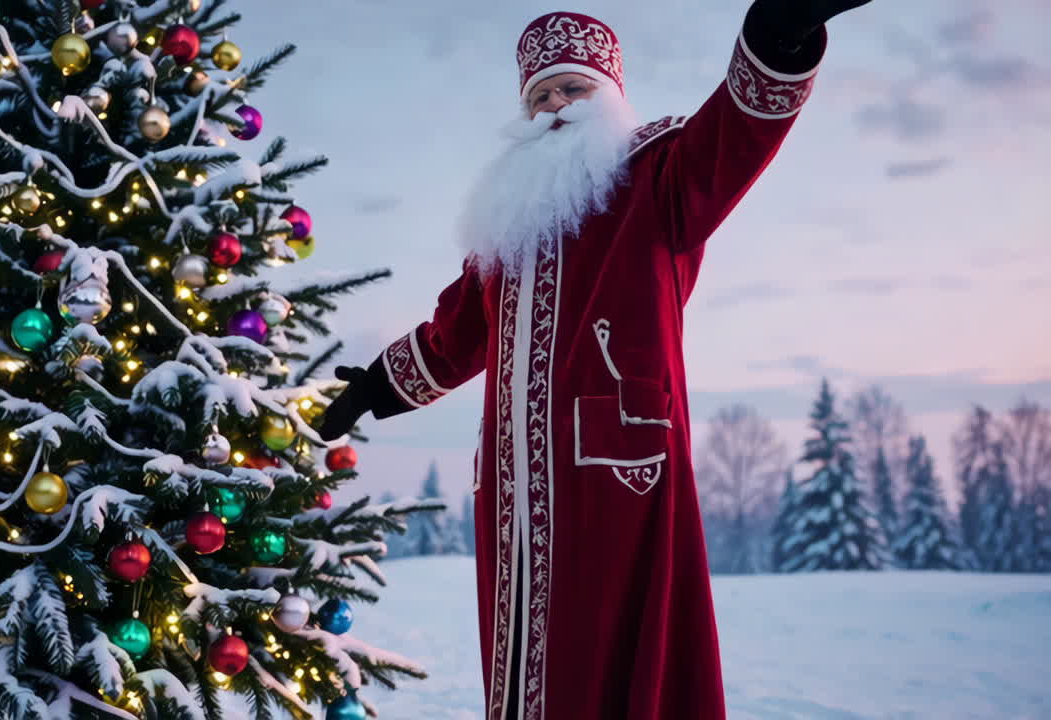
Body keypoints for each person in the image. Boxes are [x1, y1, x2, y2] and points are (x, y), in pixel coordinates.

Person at [320, 1, 874, 717]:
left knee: (615, 657)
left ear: (609, 96)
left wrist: (777, 36)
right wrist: (377, 385)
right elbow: (459, 331)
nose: (554, 107)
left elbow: (732, 137)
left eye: (572, 90)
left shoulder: (656, 173)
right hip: (515, 485)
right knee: (523, 657)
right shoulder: (508, 221)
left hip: (618, 474)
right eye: (540, 96)